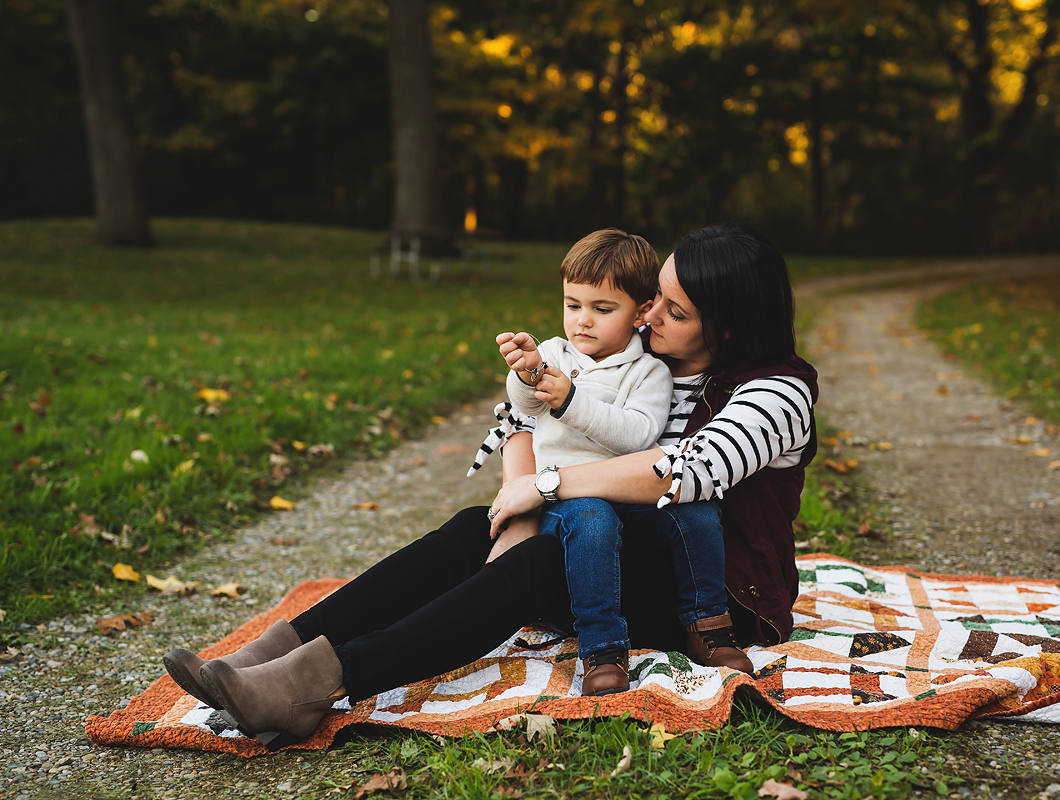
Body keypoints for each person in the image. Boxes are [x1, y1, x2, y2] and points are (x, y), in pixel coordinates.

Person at [161, 223, 818, 750]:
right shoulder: (648, 351)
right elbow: (520, 417)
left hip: (720, 590)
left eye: (674, 310)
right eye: (655, 300)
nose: (648, 318)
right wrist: (522, 499)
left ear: (727, 326)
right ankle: (275, 651)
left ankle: (314, 687)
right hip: (614, 543)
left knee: (539, 560)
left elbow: (688, 472)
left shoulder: (777, 391)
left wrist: (547, 487)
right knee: (474, 529)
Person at [478, 228, 748, 697]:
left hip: (626, 494)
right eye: (572, 305)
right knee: (593, 519)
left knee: (698, 514)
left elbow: (637, 436)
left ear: (642, 311)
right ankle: (602, 647)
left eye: (602, 310)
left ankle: (708, 624)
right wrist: (525, 373)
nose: (582, 321)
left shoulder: (649, 372)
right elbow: (525, 406)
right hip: (564, 503)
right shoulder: (554, 355)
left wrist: (571, 399)